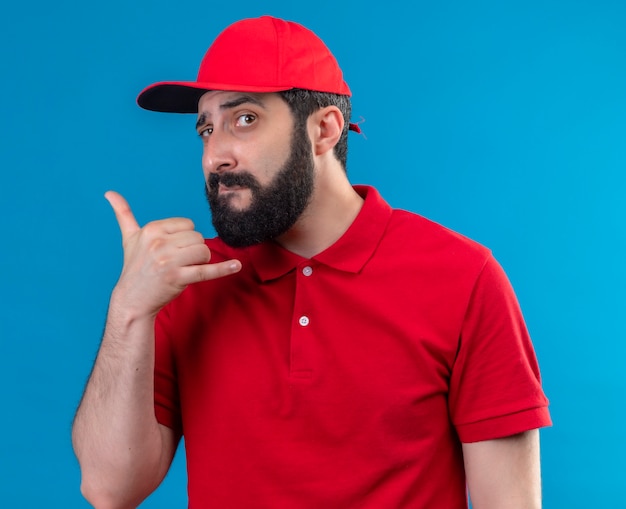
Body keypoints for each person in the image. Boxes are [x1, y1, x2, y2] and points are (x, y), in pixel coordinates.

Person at [72, 15, 551, 509]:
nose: (215, 155)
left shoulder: (462, 276)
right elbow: (109, 490)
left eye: (245, 119)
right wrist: (128, 310)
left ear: (324, 128)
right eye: (206, 129)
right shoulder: (186, 282)